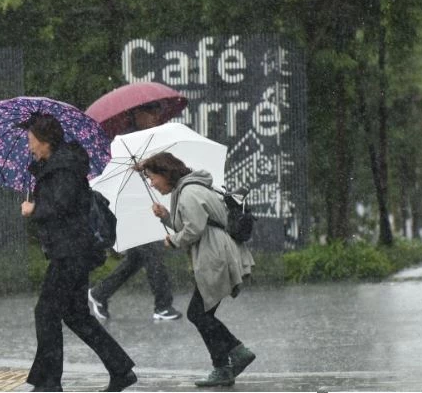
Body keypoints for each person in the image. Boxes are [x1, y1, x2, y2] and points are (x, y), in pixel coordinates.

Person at [20, 113, 137, 392]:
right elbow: (60, 199)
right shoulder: (58, 165)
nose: (29, 146)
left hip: (71, 252)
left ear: (46, 142)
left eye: (32, 141)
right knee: (75, 315)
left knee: (46, 312)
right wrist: (38, 172)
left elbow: (62, 205)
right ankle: (120, 369)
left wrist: (34, 209)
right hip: (72, 250)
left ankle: (49, 383)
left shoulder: (64, 168)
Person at [139, 152, 256, 387]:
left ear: (165, 173)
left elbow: (193, 230)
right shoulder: (188, 189)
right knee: (203, 314)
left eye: (153, 178)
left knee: (198, 313)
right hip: (215, 254)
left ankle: (234, 356)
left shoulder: (189, 192)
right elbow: (193, 222)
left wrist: (172, 240)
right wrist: (166, 216)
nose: (152, 183)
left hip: (215, 257)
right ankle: (225, 364)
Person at [88, 102, 183, 321]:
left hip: (143, 207)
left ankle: (100, 293)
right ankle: (163, 305)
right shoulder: (125, 142)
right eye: (151, 112)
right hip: (131, 210)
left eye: (157, 111)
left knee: (137, 259)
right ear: (138, 114)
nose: (155, 116)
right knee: (153, 253)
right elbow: (115, 174)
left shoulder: (150, 138)